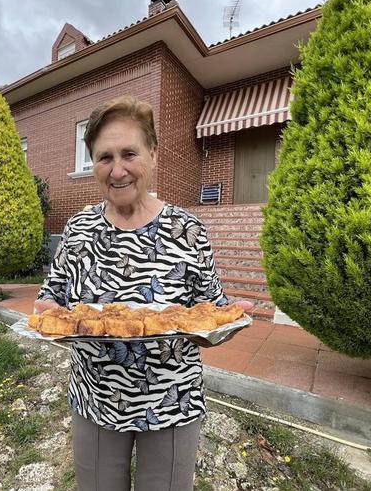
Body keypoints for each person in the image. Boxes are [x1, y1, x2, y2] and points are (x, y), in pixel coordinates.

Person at [34, 95, 252, 490]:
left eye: (129, 154)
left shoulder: (189, 230)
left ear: (153, 153)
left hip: (173, 402)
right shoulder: (79, 227)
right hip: (95, 398)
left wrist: (227, 319)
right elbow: (53, 295)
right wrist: (47, 311)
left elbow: (209, 308)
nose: (117, 171)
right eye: (104, 157)